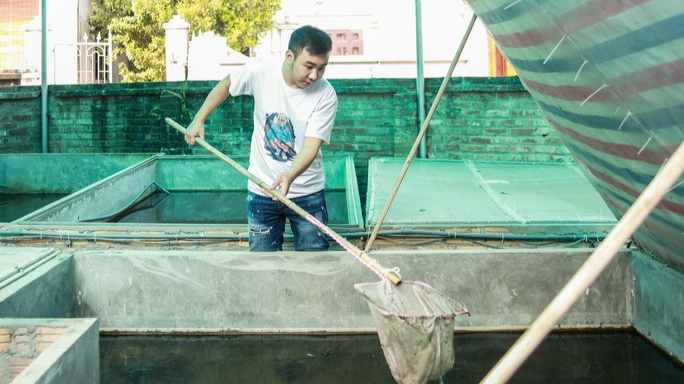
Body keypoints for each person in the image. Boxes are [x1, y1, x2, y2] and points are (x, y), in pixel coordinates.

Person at [184, 25, 337, 252]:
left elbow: (310, 146)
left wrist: (289, 174)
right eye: (309, 66)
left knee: (314, 263)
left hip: (307, 193)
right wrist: (199, 119)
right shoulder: (261, 71)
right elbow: (227, 84)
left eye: (321, 68)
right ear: (289, 56)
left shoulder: (325, 95)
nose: (314, 75)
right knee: (262, 265)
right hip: (261, 189)